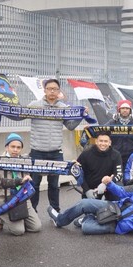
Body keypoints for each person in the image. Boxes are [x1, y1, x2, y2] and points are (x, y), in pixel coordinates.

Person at [47, 175, 133, 240]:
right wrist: (109, 183)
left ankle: (87, 218)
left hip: (117, 226)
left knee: (86, 228)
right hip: (113, 207)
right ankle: (60, 220)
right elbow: (121, 192)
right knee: (84, 203)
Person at [28, 78, 82, 213]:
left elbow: (70, 126)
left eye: (55, 89)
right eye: (49, 88)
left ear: (59, 91)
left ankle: (55, 211)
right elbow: (16, 115)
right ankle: (32, 213)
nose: (52, 91)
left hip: (56, 152)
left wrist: (81, 115)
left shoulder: (63, 108)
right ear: (45, 90)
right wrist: (0, 106)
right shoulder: (34, 105)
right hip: (37, 151)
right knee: (34, 184)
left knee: (54, 185)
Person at [0, 133, 42, 235]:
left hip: (23, 200)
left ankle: (20, 219)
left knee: (36, 227)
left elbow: (45, 167)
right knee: (19, 231)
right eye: (13, 147)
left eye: (18, 147)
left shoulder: (26, 160)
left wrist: (68, 166)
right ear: (7, 147)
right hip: (6, 201)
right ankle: (0, 217)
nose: (15, 150)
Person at [76, 130, 123, 201]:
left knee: (119, 188)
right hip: (91, 189)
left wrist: (106, 184)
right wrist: (86, 190)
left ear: (110, 143)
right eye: (101, 141)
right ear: (96, 142)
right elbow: (78, 173)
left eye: (106, 141)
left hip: (108, 186)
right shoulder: (86, 154)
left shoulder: (116, 155)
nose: (103, 144)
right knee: (88, 209)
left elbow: (119, 174)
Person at [104, 99, 133, 168]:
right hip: (114, 157)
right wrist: (89, 129)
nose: (125, 110)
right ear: (119, 110)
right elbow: (100, 132)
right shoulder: (111, 123)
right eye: (123, 108)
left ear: (130, 110)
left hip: (131, 157)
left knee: (128, 178)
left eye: (127, 108)